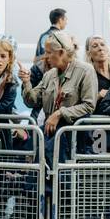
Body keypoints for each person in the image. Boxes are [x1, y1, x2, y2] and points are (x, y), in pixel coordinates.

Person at [22, 30, 98, 159]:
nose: (45, 56)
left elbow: (89, 105)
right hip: (51, 135)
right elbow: (32, 101)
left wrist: (60, 113)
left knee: (65, 177)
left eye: (49, 52)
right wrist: (26, 82)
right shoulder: (49, 75)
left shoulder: (85, 71)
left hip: (73, 139)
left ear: (61, 52)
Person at [85, 35, 110, 100]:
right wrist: (99, 95)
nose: (100, 48)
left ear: (107, 49)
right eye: (95, 46)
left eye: (102, 45)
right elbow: (83, 103)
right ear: (89, 53)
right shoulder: (87, 76)